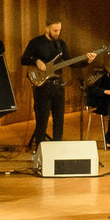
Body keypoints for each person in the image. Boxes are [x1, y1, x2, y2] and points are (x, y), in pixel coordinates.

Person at [19, 20, 70, 149]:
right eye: (55, 30)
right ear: (47, 28)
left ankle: (57, 148)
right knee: (42, 119)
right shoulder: (36, 42)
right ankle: (40, 149)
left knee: (59, 119)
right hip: (43, 86)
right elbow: (24, 59)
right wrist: (36, 60)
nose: (57, 33)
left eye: (59, 30)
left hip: (58, 85)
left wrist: (87, 61)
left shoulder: (60, 44)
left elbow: (70, 62)